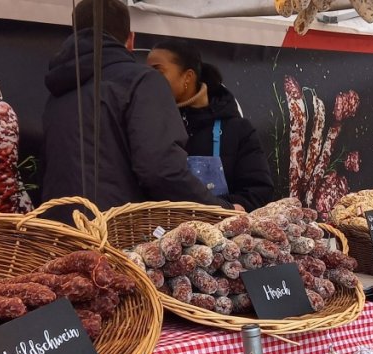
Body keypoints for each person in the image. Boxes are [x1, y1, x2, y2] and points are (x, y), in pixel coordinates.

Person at [40, 0, 231, 214]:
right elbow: (161, 170)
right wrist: (221, 211)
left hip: (57, 233)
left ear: (74, 33)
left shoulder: (57, 91)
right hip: (114, 233)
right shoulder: (142, 81)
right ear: (130, 39)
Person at [146, 39, 274, 212]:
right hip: (159, 232)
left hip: (220, 234)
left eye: (157, 71)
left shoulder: (237, 130)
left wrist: (217, 210)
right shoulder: (149, 125)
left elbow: (258, 192)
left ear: (188, 77)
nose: (147, 79)